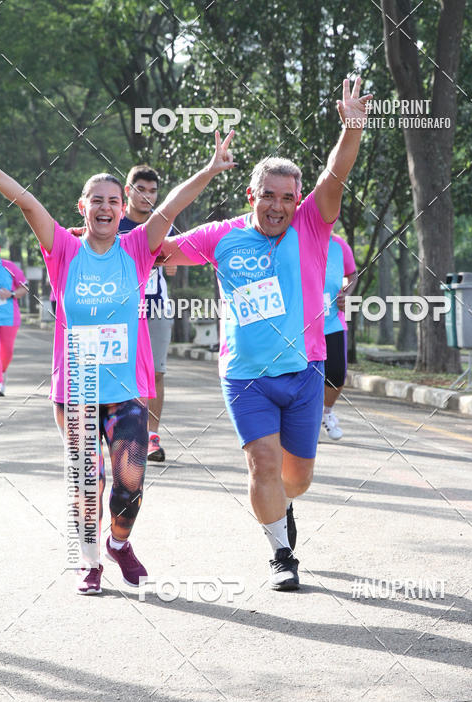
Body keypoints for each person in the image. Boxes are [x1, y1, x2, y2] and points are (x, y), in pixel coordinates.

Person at [0, 131, 235, 594]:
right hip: (77, 392)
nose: (105, 207)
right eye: (95, 200)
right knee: (89, 482)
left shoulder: (137, 249)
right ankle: (89, 563)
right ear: (82, 208)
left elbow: (171, 209)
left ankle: (118, 543)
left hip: (125, 391)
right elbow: (26, 201)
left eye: (113, 201)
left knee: (129, 483)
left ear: (123, 209)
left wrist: (208, 169)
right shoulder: (63, 249)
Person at [161, 78, 371, 591]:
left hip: (305, 373)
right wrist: (103, 236)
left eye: (287, 198)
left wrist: (352, 128)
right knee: (263, 464)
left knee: (295, 477)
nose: (277, 206)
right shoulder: (221, 236)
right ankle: (281, 553)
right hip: (245, 376)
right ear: (252, 194)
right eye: (268, 196)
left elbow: (336, 172)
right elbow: (155, 244)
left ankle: (285, 509)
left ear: (298, 200)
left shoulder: (312, 225)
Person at [119, 165, 177, 462]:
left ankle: (152, 437)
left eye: (153, 191)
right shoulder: (112, 222)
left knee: (155, 372)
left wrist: (172, 265)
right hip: (118, 309)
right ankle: (125, 433)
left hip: (156, 306)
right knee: (123, 372)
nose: (148, 196)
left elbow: (176, 258)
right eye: (141, 189)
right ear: (128, 191)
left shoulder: (161, 224)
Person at [321, 233, 357, 440]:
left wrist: (347, 294)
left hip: (332, 320)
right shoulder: (295, 239)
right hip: (300, 322)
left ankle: (326, 412)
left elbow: (353, 275)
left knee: (336, 374)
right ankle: (306, 419)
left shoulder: (340, 245)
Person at [0, 236, 28, 396]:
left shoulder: (8, 267)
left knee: (6, 351)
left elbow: (24, 288)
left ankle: (2, 370)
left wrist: (11, 293)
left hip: (9, 317)